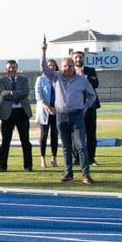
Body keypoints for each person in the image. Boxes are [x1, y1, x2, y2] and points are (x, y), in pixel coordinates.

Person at [40, 41, 96, 184]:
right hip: (61, 116)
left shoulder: (81, 80)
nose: (67, 68)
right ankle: (68, 173)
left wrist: (85, 107)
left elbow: (92, 95)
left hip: (77, 115)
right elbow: (44, 67)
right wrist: (43, 51)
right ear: (62, 66)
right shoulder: (56, 77)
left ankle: (86, 174)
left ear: (74, 67)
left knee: (81, 145)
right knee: (66, 146)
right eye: (65, 66)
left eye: (70, 66)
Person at [0, 60, 33, 172]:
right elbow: (3, 95)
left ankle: (28, 166)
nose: (12, 70)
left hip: (22, 112)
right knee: (5, 141)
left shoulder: (24, 80)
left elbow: (25, 92)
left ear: (17, 68)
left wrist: (10, 93)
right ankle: (3, 167)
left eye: (13, 67)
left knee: (25, 140)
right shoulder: (1, 81)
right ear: (6, 69)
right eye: (9, 68)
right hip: (8, 114)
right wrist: (16, 93)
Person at [71, 50, 101, 166]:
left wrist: (84, 77)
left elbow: (96, 84)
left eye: (80, 57)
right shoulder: (69, 71)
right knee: (76, 134)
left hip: (90, 106)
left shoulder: (90, 70)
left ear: (84, 58)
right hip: (75, 106)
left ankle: (91, 158)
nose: (78, 59)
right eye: (76, 57)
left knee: (91, 133)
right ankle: (76, 158)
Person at [35, 59, 59, 168]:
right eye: (49, 65)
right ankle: (42, 158)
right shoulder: (40, 79)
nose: (52, 67)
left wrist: (56, 108)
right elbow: (39, 97)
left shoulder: (58, 79)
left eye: (54, 66)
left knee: (55, 135)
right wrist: (49, 108)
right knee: (44, 135)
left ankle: (54, 158)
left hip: (57, 110)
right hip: (45, 110)